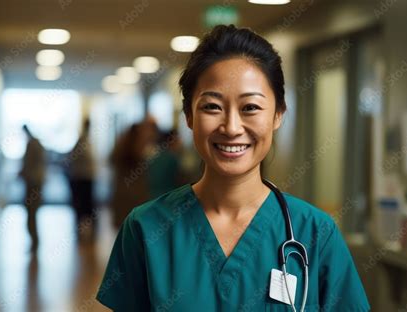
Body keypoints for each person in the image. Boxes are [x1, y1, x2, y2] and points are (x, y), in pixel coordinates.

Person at [97, 25, 370, 311]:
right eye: (212, 107)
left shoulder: (314, 233)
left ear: (278, 115)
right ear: (189, 116)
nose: (231, 127)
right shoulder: (145, 228)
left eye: (250, 107)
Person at [66, 118, 96, 241]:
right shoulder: (83, 141)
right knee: (83, 205)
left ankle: (88, 232)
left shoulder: (87, 140)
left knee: (86, 205)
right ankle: (83, 231)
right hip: (81, 178)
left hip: (86, 177)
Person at [20, 125, 46, 252]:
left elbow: (29, 165)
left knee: (31, 213)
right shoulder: (36, 143)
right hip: (34, 183)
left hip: (33, 184)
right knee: (32, 213)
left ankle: (35, 242)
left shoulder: (32, 144)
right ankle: (34, 241)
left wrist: (24, 173)